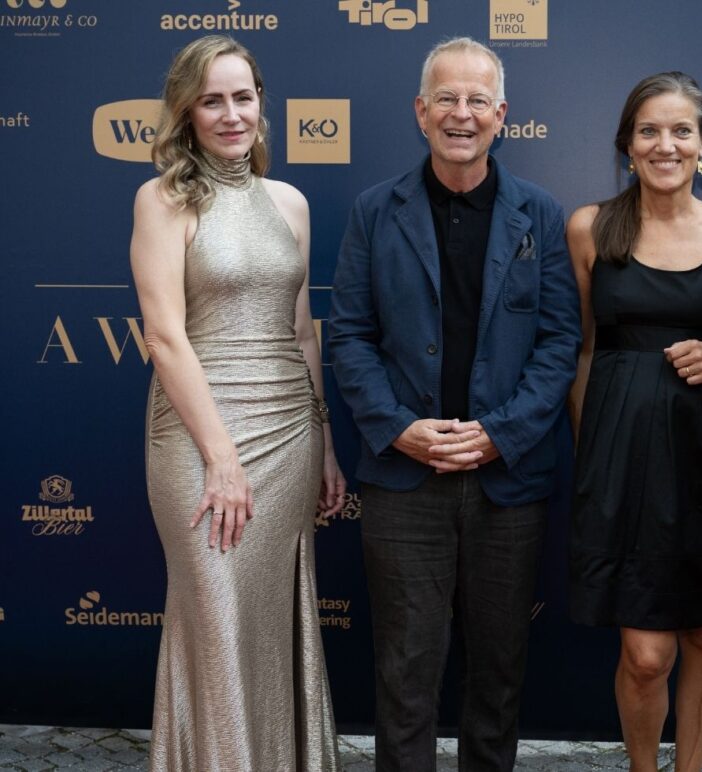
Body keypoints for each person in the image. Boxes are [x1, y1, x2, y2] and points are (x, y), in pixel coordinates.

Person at [328, 37, 580, 771]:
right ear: (421, 111)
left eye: (476, 100)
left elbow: (560, 342)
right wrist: (399, 429)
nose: (460, 114)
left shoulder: (541, 213)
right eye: (446, 98)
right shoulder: (376, 212)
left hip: (509, 481)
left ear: (501, 115)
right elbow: (350, 336)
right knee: (405, 673)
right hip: (404, 480)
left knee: (498, 674)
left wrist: (500, 435)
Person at [130, 34, 344, 771]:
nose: (231, 114)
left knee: (266, 625)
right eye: (212, 100)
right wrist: (221, 457)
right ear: (187, 111)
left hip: (289, 437)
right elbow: (163, 335)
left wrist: (327, 447)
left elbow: (301, 332)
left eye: (243, 97)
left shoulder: (290, 202)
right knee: (217, 622)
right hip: (198, 439)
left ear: (262, 104)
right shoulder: (161, 198)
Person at [567, 72, 702, 772]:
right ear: (627, 145)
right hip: (620, 466)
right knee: (646, 654)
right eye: (649, 130)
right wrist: (587, 456)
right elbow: (585, 350)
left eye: (681, 130)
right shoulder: (591, 228)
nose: (665, 144)